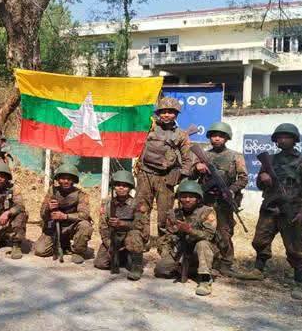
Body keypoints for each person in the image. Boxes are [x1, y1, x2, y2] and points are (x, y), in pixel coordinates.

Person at [249, 123, 302, 298]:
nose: (283, 140)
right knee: (260, 240)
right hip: (271, 207)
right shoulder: (269, 160)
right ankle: (258, 269)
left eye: (287, 137)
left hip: (292, 209)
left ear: (295, 140)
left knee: (294, 247)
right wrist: (263, 178)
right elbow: (259, 184)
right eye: (279, 137)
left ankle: (299, 280)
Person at [188, 121, 248, 275]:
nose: (217, 138)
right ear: (209, 137)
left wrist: (230, 190)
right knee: (202, 230)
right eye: (214, 135)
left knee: (224, 232)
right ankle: (203, 261)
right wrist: (197, 168)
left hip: (223, 201)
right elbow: (191, 176)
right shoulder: (203, 155)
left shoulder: (235, 156)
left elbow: (243, 178)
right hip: (205, 200)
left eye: (221, 136)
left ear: (227, 138)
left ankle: (226, 263)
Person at [134, 96, 195, 245]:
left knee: (165, 215)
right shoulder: (148, 127)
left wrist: (182, 179)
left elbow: (187, 160)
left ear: (176, 114)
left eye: (170, 112)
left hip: (166, 178)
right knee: (141, 211)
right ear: (158, 113)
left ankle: (164, 246)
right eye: (163, 111)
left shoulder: (181, 135)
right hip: (145, 175)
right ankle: (140, 243)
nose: (166, 115)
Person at [154, 180, 218, 296]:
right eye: (184, 196)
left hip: (200, 251)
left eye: (191, 197)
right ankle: (190, 270)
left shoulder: (207, 212)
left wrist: (190, 231)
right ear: (179, 198)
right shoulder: (174, 214)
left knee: (202, 244)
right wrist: (167, 254)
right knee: (160, 270)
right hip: (181, 250)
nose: (187, 200)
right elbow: (167, 237)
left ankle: (205, 279)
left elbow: (209, 235)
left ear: (198, 198)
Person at [94, 170, 148, 280]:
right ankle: (122, 257)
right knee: (100, 263)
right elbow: (103, 226)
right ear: (114, 187)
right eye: (118, 185)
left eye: (125, 186)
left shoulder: (137, 204)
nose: (121, 188)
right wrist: (109, 244)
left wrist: (123, 224)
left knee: (134, 235)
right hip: (113, 238)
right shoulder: (107, 204)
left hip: (131, 239)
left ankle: (136, 267)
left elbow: (141, 226)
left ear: (130, 188)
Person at [34, 164, 93, 263]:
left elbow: (84, 215)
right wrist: (48, 208)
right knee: (40, 251)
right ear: (58, 179)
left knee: (85, 225)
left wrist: (65, 216)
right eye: (63, 178)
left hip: (71, 226)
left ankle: (78, 251)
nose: (66, 181)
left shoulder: (80, 194)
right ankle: (61, 244)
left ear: (74, 180)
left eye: (69, 179)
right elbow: (43, 214)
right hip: (54, 227)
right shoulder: (52, 191)